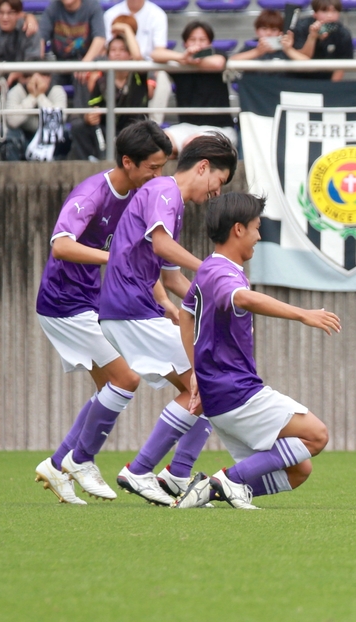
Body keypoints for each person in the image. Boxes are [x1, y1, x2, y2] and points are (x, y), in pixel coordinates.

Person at [168, 193, 341, 510]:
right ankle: (228, 480)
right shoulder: (224, 273)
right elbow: (241, 298)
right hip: (236, 391)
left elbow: (185, 314)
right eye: (256, 228)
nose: (259, 236)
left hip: (218, 395)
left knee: (298, 470)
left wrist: (195, 373)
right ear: (238, 229)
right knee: (316, 436)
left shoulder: (207, 269)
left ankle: (214, 490)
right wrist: (303, 314)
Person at [34, 120, 172, 505]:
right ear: (128, 162)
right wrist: (114, 257)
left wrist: (163, 304)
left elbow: (143, 260)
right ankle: (83, 460)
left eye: (162, 168)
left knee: (110, 387)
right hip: (62, 301)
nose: (158, 176)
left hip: (92, 299)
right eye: (153, 168)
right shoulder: (92, 193)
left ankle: (59, 462)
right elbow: (61, 246)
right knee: (126, 379)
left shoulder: (140, 198)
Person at [97, 132, 237, 506]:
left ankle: (175, 475)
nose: (216, 193)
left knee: (207, 385)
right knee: (207, 382)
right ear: (204, 167)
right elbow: (161, 245)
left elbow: (172, 276)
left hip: (130, 307)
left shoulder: (170, 201)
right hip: (130, 306)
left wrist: (210, 301)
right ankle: (142, 470)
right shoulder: (164, 190)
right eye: (218, 183)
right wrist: (214, 270)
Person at [152, 21, 241, 159]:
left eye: (202, 40)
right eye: (192, 40)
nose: (197, 44)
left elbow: (218, 63)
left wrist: (192, 59)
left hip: (219, 129)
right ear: (185, 43)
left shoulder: (218, 54)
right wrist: (182, 58)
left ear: (210, 43)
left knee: (192, 145)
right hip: (186, 127)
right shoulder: (180, 63)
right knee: (157, 145)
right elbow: (155, 54)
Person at [69, 26, 147, 160]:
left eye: (122, 50)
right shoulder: (101, 81)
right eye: (113, 50)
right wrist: (89, 117)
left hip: (135, 130)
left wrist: (126, 30)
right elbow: (92, 106)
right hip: (108, 131)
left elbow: (138, 57)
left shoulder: (138, 76)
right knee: (78, 127)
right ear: (108, 55)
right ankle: (90, 161)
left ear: (129, 55)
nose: (117, 54)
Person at [103, 0, 169, 122]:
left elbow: (140, 57)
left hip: (147, 69)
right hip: (115, 69)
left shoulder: (157, 14)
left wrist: (126, 28)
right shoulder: (110, 14)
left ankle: (154, 125)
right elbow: (108, 51)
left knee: (161, 78)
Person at [38, 0, 106, 107]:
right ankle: (53, 118)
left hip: (84, 60)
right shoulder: (53, 7)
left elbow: (100, 39)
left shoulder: (92, 6)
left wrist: (85, 64)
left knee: (83, 77)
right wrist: (38, 68)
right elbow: (40, 38)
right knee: (47, 78)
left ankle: (80, 119)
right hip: (59, 62)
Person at [0, 65, 69, 161]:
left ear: (49, 77)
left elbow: (58, 121)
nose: (36, 79)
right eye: (30, 75)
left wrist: (40, 96)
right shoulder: (16, 91)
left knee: (66, 133)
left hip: (49, 139)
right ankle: (14, 172)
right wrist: (32, 97)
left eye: (43, 75)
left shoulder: (57, 90)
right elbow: (12, 122)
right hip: (24, 137)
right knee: (6, 133)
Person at [0, 0, 42, 88]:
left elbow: (34, 60)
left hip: (24, 82)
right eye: (0, 13)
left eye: (10, 13)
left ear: (19, 14)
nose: (5, 17)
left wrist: (19, 73)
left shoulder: (30, 30)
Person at [292, 0, 355, 81]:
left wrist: (330, 89)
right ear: (315, 13)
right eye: (324, 11)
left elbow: (341, 67)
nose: (330, 15)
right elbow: (302, 59)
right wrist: (312, 37)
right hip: (298, 79)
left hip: (327, 81)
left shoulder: (343, 34)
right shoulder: (301, 27)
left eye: (334, 11)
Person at [229, 9, 309, 62]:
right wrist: (257, 52)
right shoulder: (251, 47)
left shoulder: (286, 48)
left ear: (280, 33)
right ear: (257, 31)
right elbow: (232, 61)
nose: (268, 33)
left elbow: (307, 63)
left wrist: (288, 50)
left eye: (274, 30)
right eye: (264, 29)